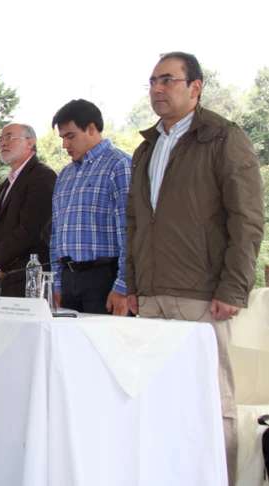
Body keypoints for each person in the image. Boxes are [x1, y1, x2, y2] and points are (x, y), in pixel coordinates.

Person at [125, 52, 264, 485]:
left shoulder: (223, 137)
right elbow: (134, 220)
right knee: (153, 400)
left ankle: (217, 478)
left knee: (208, 402)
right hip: (149, 298)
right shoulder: (147, 147)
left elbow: (247, 218)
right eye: (151, 81)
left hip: (201, 296)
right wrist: (132, 285)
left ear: (196, 87)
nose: (156, 89)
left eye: (167, 80)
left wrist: (233, 288)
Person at [49, 99, 132, 315]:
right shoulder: (65, 175)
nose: (65, 145)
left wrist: (124, 285)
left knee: (105, 347)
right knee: (68, 347)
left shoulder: (120, 165)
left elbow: (129, 231)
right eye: (62, 138)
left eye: (70, 136)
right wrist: (57, 284)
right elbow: (56, 235)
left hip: (104, 278)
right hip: (69, 280)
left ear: (92, 128)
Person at [0, 123, 56, 298]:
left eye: (9, 137)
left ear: (30, 143)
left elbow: (30, 230)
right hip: (3, 278)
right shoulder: (6, 184)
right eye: (1, 139)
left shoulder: (43, 176)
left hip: (27, 279)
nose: (3, 143)